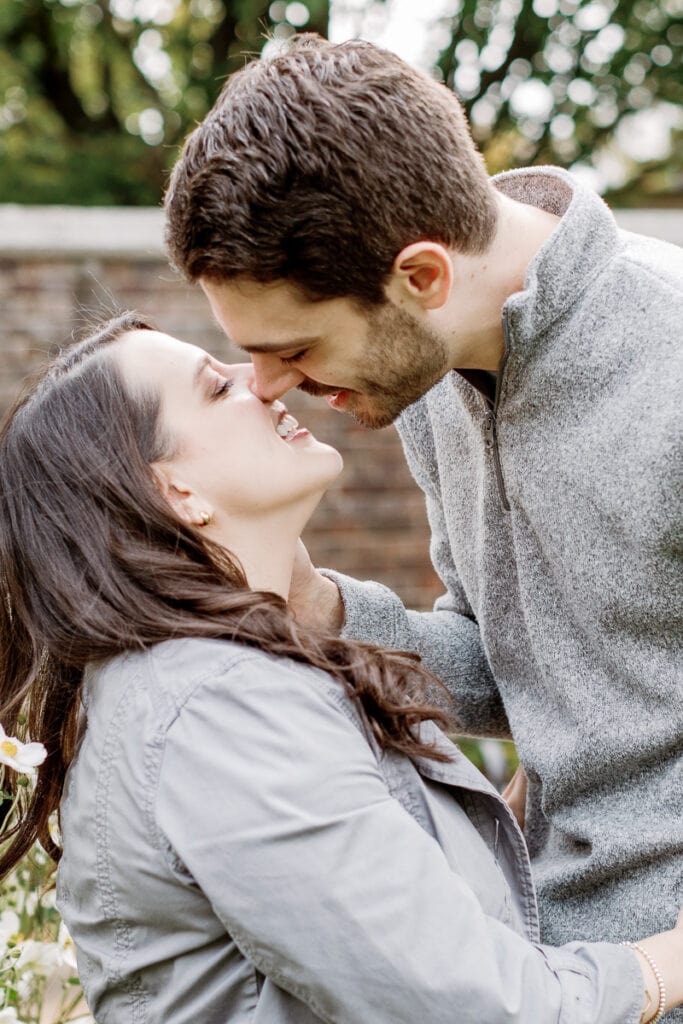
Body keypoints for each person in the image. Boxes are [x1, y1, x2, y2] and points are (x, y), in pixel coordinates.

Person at [163, 31, 683, 979]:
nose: (268, 387)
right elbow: (513, 668)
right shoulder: (430, 376)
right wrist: (321, 609)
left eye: (295, 348)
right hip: (549, 967)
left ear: (421, 277)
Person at [0, 313, 681, 1024]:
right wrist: (662, 965)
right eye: (214, 386)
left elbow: (383, 895)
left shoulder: (228, 677)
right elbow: (468, 1005)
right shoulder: (215, 711)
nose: (262, 381)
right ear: (176, 493)